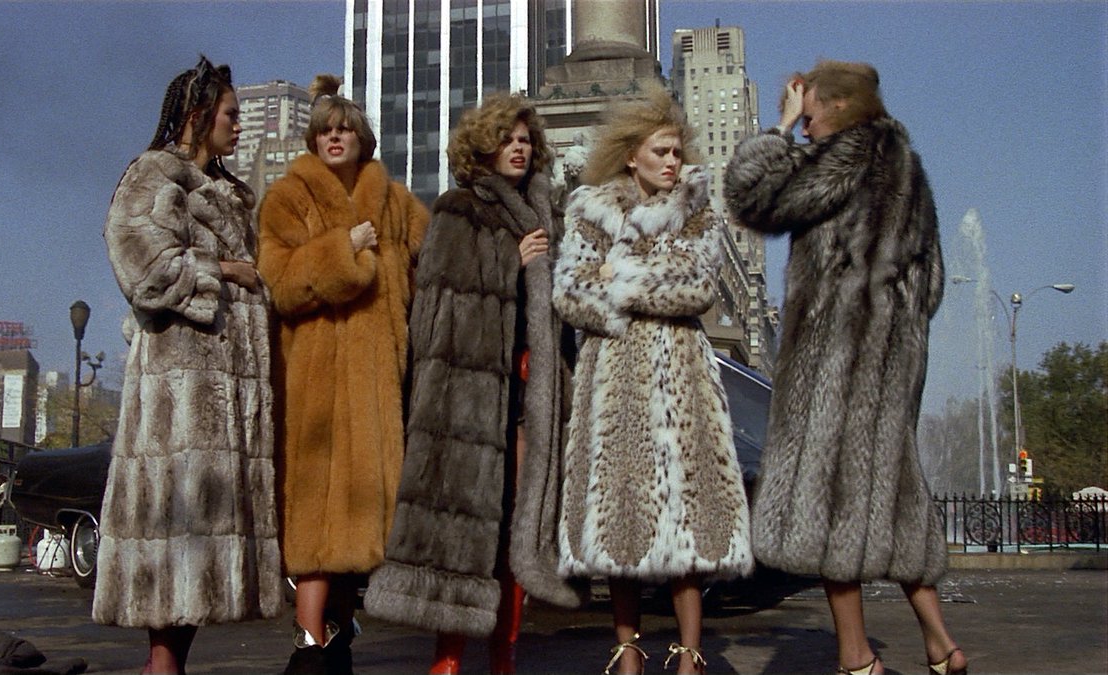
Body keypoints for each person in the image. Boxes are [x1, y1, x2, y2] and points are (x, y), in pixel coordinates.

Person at [722, 60, 966, 675]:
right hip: (893, 361)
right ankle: (941, 643)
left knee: (824, 502)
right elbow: (932, 278)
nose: (804, 128)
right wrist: (896, 331)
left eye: (809, 115)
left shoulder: (842, 157)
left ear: (836, 107)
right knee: (895, 493)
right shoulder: (906, 165)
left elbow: (755, 200)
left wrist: (777, 129)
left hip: (834, 357)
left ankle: (856, 657)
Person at [361, 92, 582, 675]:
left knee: (519, 532)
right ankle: (448, 661)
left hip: (530, 394)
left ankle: (504, 656)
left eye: (525, 140)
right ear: (483, 147)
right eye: (507, 139)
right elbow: (440, 304)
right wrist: (512, 263)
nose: (518, 148)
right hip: (468, 400)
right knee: (462, 536)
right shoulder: (458, 210)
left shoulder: (547, 216)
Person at [552, 84, 753, 675]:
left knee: (686, 520)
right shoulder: (589, 210)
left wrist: (617, 276)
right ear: (630, 155)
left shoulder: (696, 209)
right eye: (660, 151)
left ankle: (691, 653)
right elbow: (570, 292)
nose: (671, 162)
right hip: (612, 383)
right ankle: (628, 652)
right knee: (619, 519)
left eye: (676, 151)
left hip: (680, 381)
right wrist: (642, 279)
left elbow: (696, 286)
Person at [94, 56, 282, 675]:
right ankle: (161, 668)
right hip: (177, 400)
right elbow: (142, 265)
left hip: (224, 398)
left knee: (198, 556)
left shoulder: (230, 193)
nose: (239, 125)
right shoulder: (154, 174)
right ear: (199, 114)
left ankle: (164, 667)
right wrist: (221, 270)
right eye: (231, 114)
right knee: (174, 543)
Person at [257, 74, 429, 675]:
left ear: (362, 138)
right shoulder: (287, 197)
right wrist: (343, 248)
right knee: (315, 527)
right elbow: (280, 282)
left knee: (362, 526)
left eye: (345, 130)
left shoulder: (397, 202)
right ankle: (308, 648)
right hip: (316, 382)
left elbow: (437, 260)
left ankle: (339, 646)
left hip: (379, 383)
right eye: (325, 130)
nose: (335, 138)